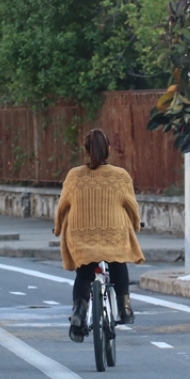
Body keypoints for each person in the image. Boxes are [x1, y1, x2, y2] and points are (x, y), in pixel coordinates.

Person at [54, 129, 145, 342]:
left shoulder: (74, 176)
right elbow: (131, 206)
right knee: (118, 263)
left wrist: (58, 229)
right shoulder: (120, 176)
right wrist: (135, 225)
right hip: (114, 232)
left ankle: (79, 312)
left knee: (84, 275)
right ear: (109, 149)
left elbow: (62, 206)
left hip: (80, 234)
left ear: (85, 150)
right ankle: (124, 308)